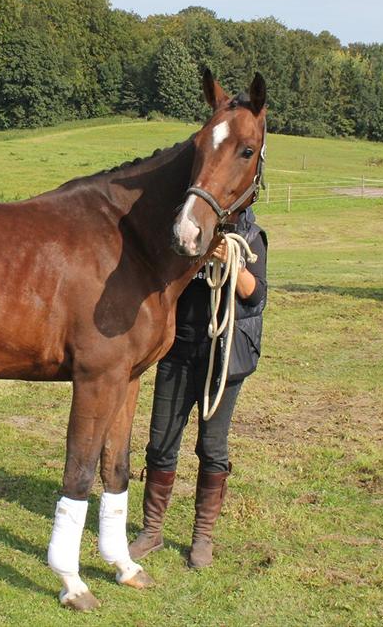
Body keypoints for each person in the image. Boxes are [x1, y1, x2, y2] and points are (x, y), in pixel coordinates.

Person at [129, 206, 267, 568]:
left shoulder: (251, 238)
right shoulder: (189, 235)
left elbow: (256, 296)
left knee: (212, 448)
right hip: (178, 352)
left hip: (223, 356)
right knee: (161, 443)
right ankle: (151, 531)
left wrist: (231, 263)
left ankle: (202, 538)